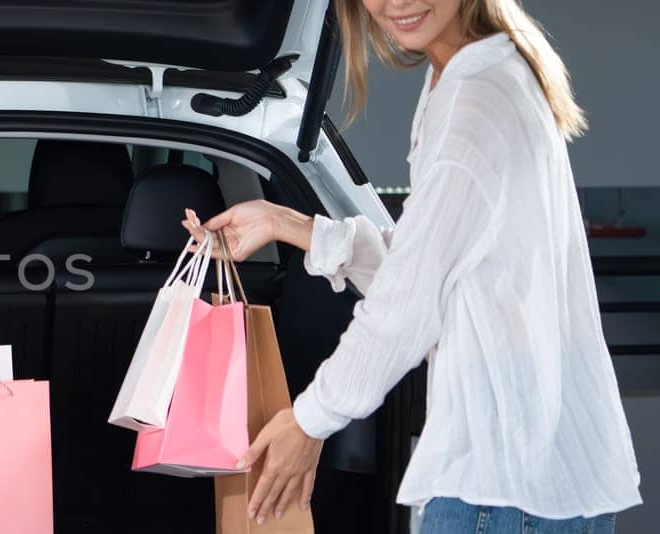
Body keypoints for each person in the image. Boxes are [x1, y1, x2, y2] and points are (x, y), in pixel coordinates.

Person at [182, 0, 642, 531]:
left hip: (503, 488)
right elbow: (432, 268)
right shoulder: (482, 74)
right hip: (531, 477)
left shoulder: (476, 102)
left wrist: (309, 421)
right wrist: (285, 222)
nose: (393, 3)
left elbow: (409, 303)